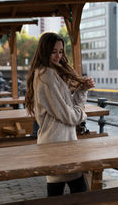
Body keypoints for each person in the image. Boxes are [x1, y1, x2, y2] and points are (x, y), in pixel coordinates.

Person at [25, 32, 95, 196]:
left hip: (61, 141)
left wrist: (83, 89)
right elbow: (68, 115)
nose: (58, 56)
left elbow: (67, 106)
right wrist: (83, 115)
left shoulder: (50, 72)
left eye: (61, 51)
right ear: (44, 51)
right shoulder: (46, 76)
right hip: (56, 143)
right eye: (53, 51)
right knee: (78, 191)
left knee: (61, 191)